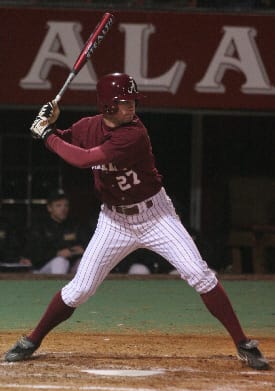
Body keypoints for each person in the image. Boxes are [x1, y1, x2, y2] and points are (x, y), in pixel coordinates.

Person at [4, 73, 269, 370]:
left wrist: (46, 133)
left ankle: (243, 343)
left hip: (157, 217)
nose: (131, 108)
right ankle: (33, 339)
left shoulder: (134, 134)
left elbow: (82, 159)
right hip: (114, 221)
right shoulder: (88, 127)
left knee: (200, 274)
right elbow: (62, 141)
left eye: (132, 101)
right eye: (124, 103)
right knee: (80, 289)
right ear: (107, 106)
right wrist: (47, 125)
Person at [19, 189, 88, 274]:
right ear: (49, 208)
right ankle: (58, 287)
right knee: (60, 261)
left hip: (71, 265)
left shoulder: (75, 224)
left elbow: (86, 246)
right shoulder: (40, 226)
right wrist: (57, 253)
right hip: (43, 269)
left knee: (85, 262)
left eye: (66, 205)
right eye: (58, 205)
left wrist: (72, 251)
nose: (63, 209)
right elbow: (35, 253)